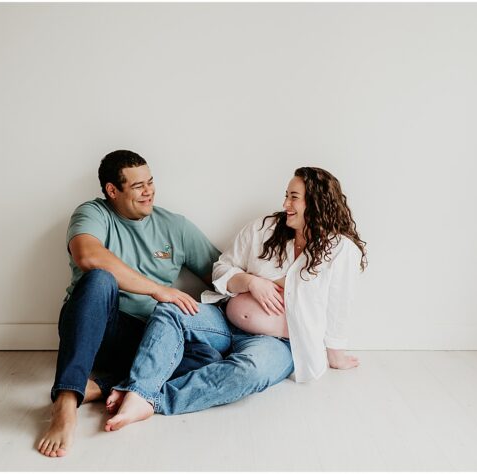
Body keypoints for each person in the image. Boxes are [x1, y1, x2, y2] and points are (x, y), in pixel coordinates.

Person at [102, 166, 367, 431]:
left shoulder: (342, 250)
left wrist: (336, 355)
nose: (285, 204)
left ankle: (153, 399)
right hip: (222, 319)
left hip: (278, 343)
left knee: (251, 371)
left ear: (317, 201)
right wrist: (251, 281)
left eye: (294, 197)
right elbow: (221, 269)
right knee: (171, 308)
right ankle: (138, 392)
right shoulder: (264, 228)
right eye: (286, 195)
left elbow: (338, 307)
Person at [37, 150, 222, 457]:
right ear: (113, 190)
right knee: (99, 279)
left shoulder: (175, 226)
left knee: (208, 355)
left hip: (147, 337)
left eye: (150, 182)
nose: (149, 191)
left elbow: (221, 274)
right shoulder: (92, 214)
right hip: (99, 326)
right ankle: (67, 400)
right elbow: (88, 256)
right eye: (138, 186)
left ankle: (104, 386)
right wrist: (157, 290)